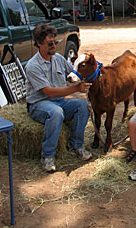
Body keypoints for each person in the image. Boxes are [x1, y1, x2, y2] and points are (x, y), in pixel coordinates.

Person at [25, 23, 93, 172]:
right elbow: (49, 92)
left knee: (83, 106)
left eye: (55, 42)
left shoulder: (59, 59)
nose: (54, 45)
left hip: (59, 102)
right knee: (56, 112)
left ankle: (76, 146)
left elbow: (74, 74)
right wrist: (76, 88)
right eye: (50, 43)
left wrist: (90, 68)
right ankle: (48, 156)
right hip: (39, 104)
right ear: (39, 43)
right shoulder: (33, 66)